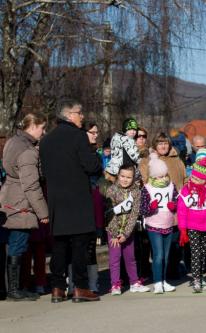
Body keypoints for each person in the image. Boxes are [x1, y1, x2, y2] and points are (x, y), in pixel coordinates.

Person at [40, 99, 102, 303]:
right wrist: (96, 156)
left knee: (59, 246)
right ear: (68, 115)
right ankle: (80, 287)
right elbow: (91, 166)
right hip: (78, 198)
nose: (82, 115)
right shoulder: (78, 136)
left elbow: (45, 171)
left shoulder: (47, 139)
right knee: (79, 246)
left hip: (57, 198)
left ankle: (57, 288)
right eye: (79, 112)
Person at [0, 113, 48, 301]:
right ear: (33, 126)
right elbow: (31, 185)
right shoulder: (28, 150)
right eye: (42, 128)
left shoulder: (13, 141)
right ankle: (14, 289)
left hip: (8, 196)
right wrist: (42, 212)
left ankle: (13, 287)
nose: (43, 132)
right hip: (21, 202)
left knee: (11, 245)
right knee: (18, 245)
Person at [177, 156, 206, 293]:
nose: (194, 181)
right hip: (192, 226)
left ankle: (201, 278)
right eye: (193, 178)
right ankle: (196, 279)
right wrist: (183, 229)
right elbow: (182, 210)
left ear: (205, 179)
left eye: (198, 179)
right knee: (195, 253)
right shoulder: (186, 189)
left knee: (204, 253)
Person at [67, 122, 102, 295]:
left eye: (97, 132)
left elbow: (100, 176)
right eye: (92, 132)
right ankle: (73, 283)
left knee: (90, 244)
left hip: (93, 199)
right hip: (76, 201)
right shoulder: (74, 150)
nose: (95, 135)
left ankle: (93, 283)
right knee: (73, 245)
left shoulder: (96, 152)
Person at [105, 164, 150, 295]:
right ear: (118, 176)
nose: (125, 179)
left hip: (128, 232)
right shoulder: (112, 190)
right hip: (113, 231)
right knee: (115, 258)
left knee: (130, 258)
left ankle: (134, 282)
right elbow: (109, 213)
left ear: (133, 178)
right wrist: (114, 233)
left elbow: (134, 214)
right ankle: (115, 284)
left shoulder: (136, 192)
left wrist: (125, 233)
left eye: (128, 177)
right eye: (122, 176)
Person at [139, 153, 177, 294]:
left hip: (168, 224)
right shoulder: (147, 188)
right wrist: (151, 208)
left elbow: (176, 200)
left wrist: (174, 206)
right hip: (154, 225)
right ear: (153, 176)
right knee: (158, 255)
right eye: (158, 176)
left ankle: (164, 280)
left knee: (166, 256)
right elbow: (142, 209)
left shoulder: (171, 185)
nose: (162, 179)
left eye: (163, 175)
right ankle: (157, 282)